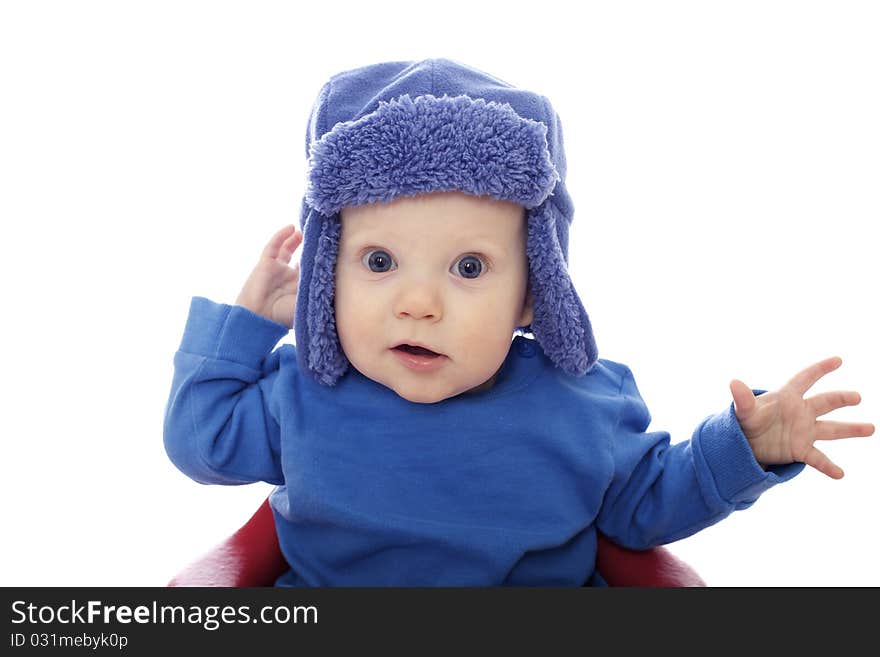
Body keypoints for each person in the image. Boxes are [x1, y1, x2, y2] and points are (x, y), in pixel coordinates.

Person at [163, 58, 873, 586]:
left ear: (535, 290)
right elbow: (199, 442)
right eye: (378, 261)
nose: (418, 303)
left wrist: (746, 447)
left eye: (468, 268)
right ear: (327, 271)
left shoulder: (580, 406)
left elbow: (649, 502)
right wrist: (249, 325)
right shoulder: (303, 395)